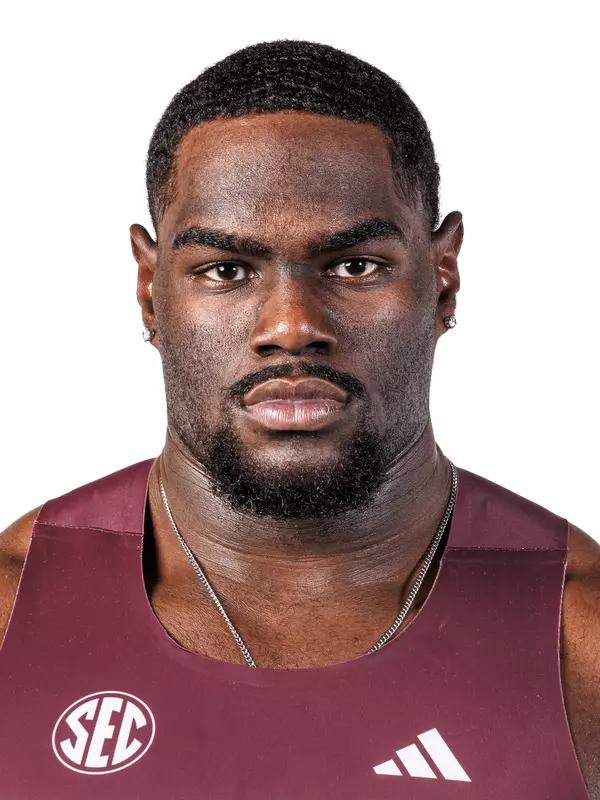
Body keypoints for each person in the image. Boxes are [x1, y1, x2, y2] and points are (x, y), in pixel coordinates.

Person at [0, 39, 597, 799]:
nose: (291, 325)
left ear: (443, 280)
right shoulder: (13, 616)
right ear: (151, 291)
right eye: (226, 269)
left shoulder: (579, 637)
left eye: (354, 266)